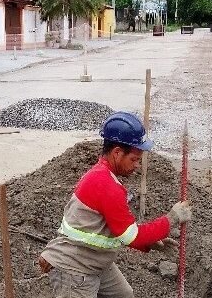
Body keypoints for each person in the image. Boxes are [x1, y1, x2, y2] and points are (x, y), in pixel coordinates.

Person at [38, 112, 193, 298]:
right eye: (134, 159)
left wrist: (149, 243)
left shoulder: (104, 177)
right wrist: (172, 218)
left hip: (95, 260)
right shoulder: (105, 184)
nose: (137, 165)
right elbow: (131, 236)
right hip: (75, 267)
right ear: (117, 153)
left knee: (123, 294)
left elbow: (119, 231)